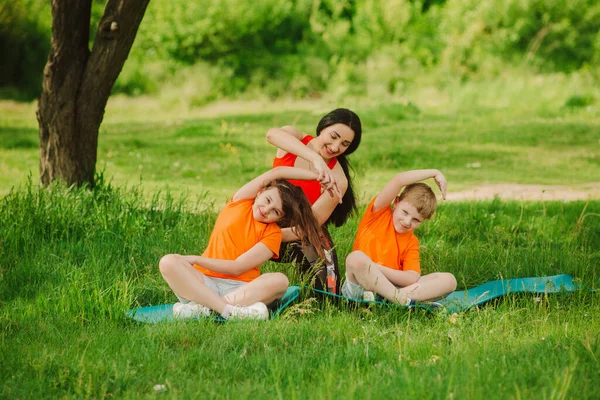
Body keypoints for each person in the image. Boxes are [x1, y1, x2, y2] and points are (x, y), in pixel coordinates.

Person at [158, 167, 325, 321]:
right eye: (267, 200)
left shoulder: (272, 234)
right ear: (260, 192)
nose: (266, 209)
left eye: (275, 211)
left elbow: (237, 267)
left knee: (280, 281)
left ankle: (206, 308)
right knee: (168, 262)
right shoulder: (239, 202)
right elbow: (275, 173)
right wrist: (318, 175)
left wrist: (197, 259)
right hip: (203, 282)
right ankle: (229, 311)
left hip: (240, 290)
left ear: (280, 218)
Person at [266, 108, 362, 294]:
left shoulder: (338, 180)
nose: (335, 147)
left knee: (328, 283)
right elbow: (271, 134)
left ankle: (317, 299)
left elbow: (311, 224)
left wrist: (271, 236)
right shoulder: (295, 139)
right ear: (323, 127)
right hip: (265, 214)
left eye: (344, 144)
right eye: (333, 136)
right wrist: (315, 158)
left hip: (295, 231)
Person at [342, 169, 457, 305]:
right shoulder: (378, 213)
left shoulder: (412, 241)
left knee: (449, 280)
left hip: (395, 289)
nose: (407, 221)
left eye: (416, 220)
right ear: (396, 202)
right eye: (405, 212)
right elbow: (399, 180)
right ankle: (398, 299)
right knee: (355, 258)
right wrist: (434, 173)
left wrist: (377, 268)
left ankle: (395, 297)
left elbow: (411, 277)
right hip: (361, 288)